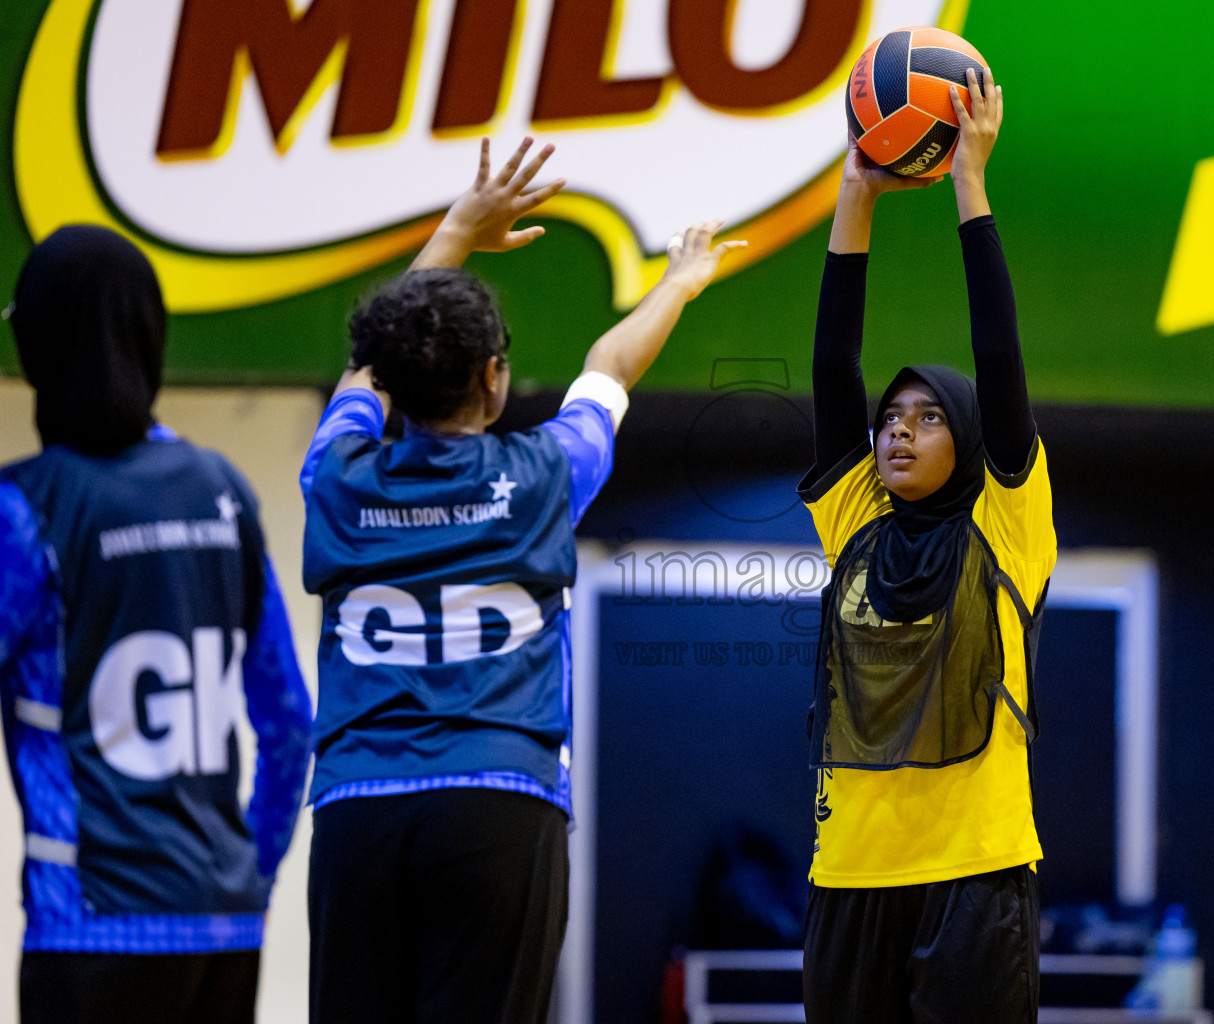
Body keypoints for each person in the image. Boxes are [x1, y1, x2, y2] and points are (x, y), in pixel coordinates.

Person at [300, 136, 745, 1024]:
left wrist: (459, 228)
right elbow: (610, 368)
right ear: (495, 380)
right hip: (500, 801)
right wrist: (677, 284)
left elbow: (367, 369)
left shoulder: (336, 474)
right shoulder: (546, 474)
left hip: (359, 803)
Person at [0, 226, 314, 1024]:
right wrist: (256, 876)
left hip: (89, 927)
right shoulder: (224, 488)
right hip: (226, 926)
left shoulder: (24, 507)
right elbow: (289, 726)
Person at [798, 68, 1055, 1023]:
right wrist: (855, 196)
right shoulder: (857, 518)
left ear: (973, 438)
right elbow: (832, 366)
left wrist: (969, 185)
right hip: (851, 873)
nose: (898, 432)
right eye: (891, 418)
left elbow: (999, 355)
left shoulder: (1006, 519)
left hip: (976, 875)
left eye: (928, 417)